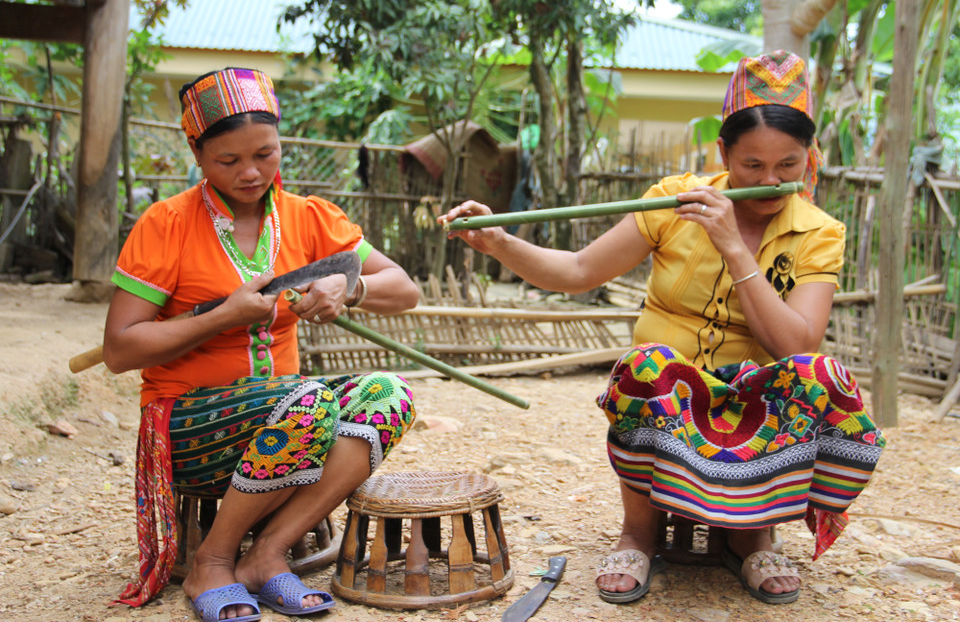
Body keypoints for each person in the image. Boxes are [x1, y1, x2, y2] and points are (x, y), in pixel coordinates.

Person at [439, 51, 885, 606]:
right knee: (646, 364)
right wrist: (498, 242)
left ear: (808, 157)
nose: (770, 181)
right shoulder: (675, 201)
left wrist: (731, 245)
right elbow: (579, 272)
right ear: (723, 154)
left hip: (754, 408)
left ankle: (752, 537)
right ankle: (639, 534)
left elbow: (798, 344)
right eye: (752, 166)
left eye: (788, 166)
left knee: (821, 375)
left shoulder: (819, 232)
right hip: (667, 398)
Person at [103, 68, 420, 621]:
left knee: (389, 395)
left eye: (265, 154)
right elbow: (120, 350)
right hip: (186, 420)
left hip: (291, 415)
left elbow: (405, 289)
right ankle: (213, 561)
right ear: (198, 156)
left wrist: (350, 287)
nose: (251, 172)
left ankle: (267, 555)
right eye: (228, 161)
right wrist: (221, 316)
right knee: (307, 403)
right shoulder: (166, 224)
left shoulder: (309, 217)